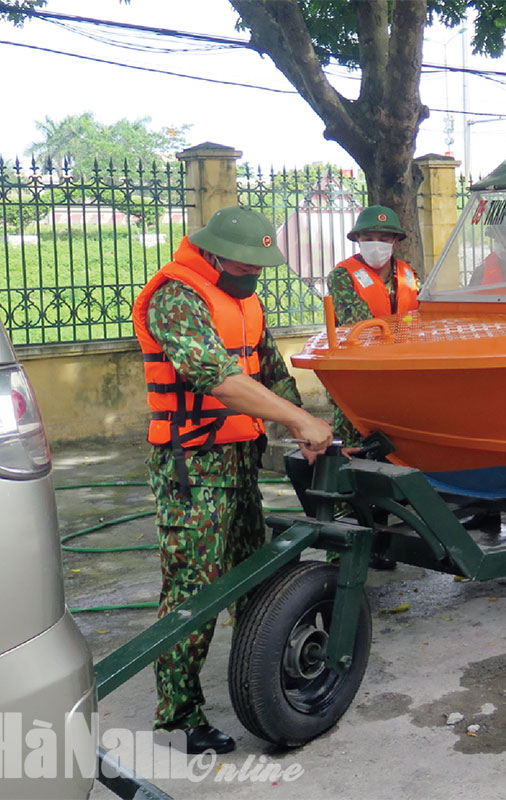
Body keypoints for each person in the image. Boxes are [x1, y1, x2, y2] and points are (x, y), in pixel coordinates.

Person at [132, 205, 333, 754]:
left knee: (254, 577)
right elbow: (216, 377)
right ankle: (178, 718)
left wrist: (304, 428)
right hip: (192, 468)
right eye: (245, 264)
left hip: (240, 459)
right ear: (214, 253)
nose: (254, 274)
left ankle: (258, 679)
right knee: (193, 592)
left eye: (260, 267)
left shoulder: (244, 300)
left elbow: (269, 371)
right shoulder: (176, 297)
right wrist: (299, 422)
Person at [327, 205, 420, 450]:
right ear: (358, 239)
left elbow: (422, 319)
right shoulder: (342, 276)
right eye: (368, 238)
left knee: (399, 445)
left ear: (395, 242)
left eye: (384, 239)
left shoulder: (409, 275)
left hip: (401, 375)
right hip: (356, 377)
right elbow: (360, 323)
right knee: (354, 444)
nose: (375, 244)